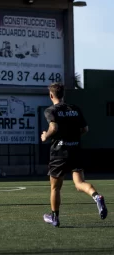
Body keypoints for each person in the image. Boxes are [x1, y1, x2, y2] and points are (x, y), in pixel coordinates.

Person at [41, 82, 107, 227]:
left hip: (59, 152)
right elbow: (85, 129)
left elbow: (54, 127)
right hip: (75, 150)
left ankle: (55, 217)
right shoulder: (75, 109)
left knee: (55, 188)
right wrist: (73, 137)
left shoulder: (51, 110)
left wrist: (46, 136)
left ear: (51, 95)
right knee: (79, 183)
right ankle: (97, 196)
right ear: (63, 94)